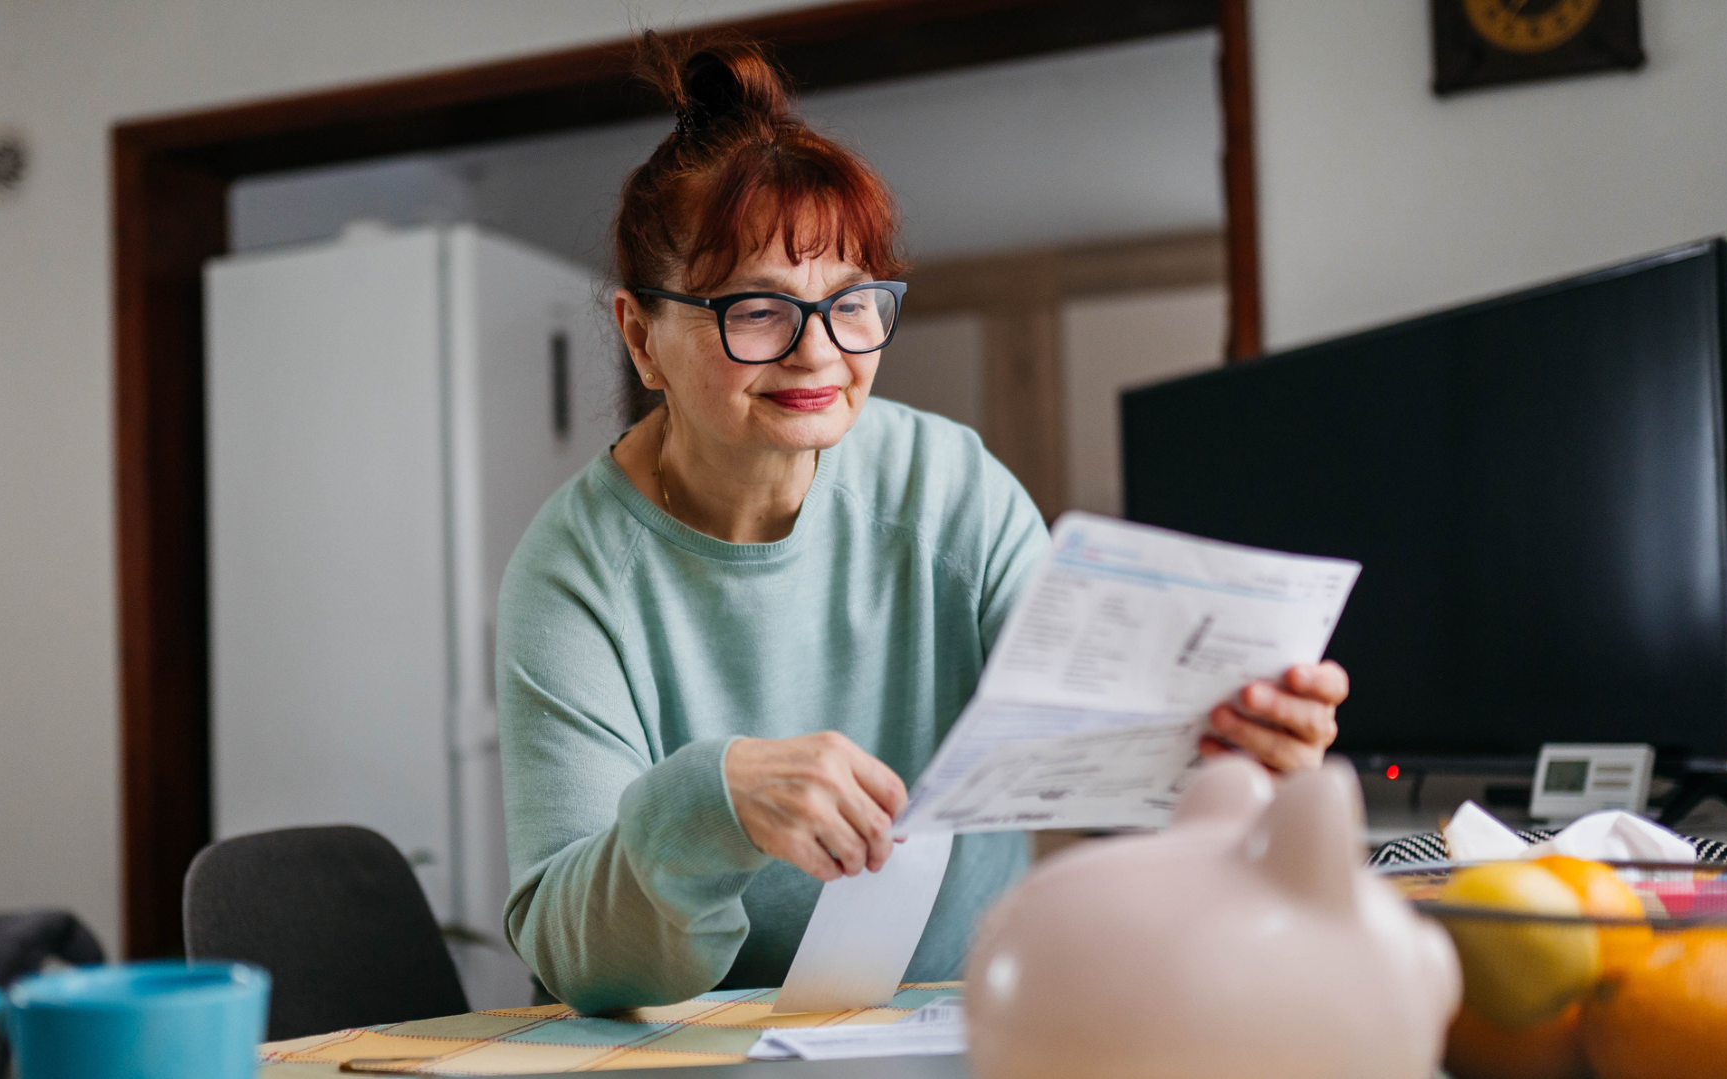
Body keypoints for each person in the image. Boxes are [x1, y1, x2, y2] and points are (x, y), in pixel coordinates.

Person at [494, 34, 1349, 1014]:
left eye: (853, 304)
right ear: (641, 335)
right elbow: (573, 954)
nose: (820, 353)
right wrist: (714, 801)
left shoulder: (949, 488)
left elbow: (1098, 740)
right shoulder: (571, 573)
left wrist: (1229, 743)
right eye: (758, 310)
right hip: (696, 1044)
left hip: (958, 1012)